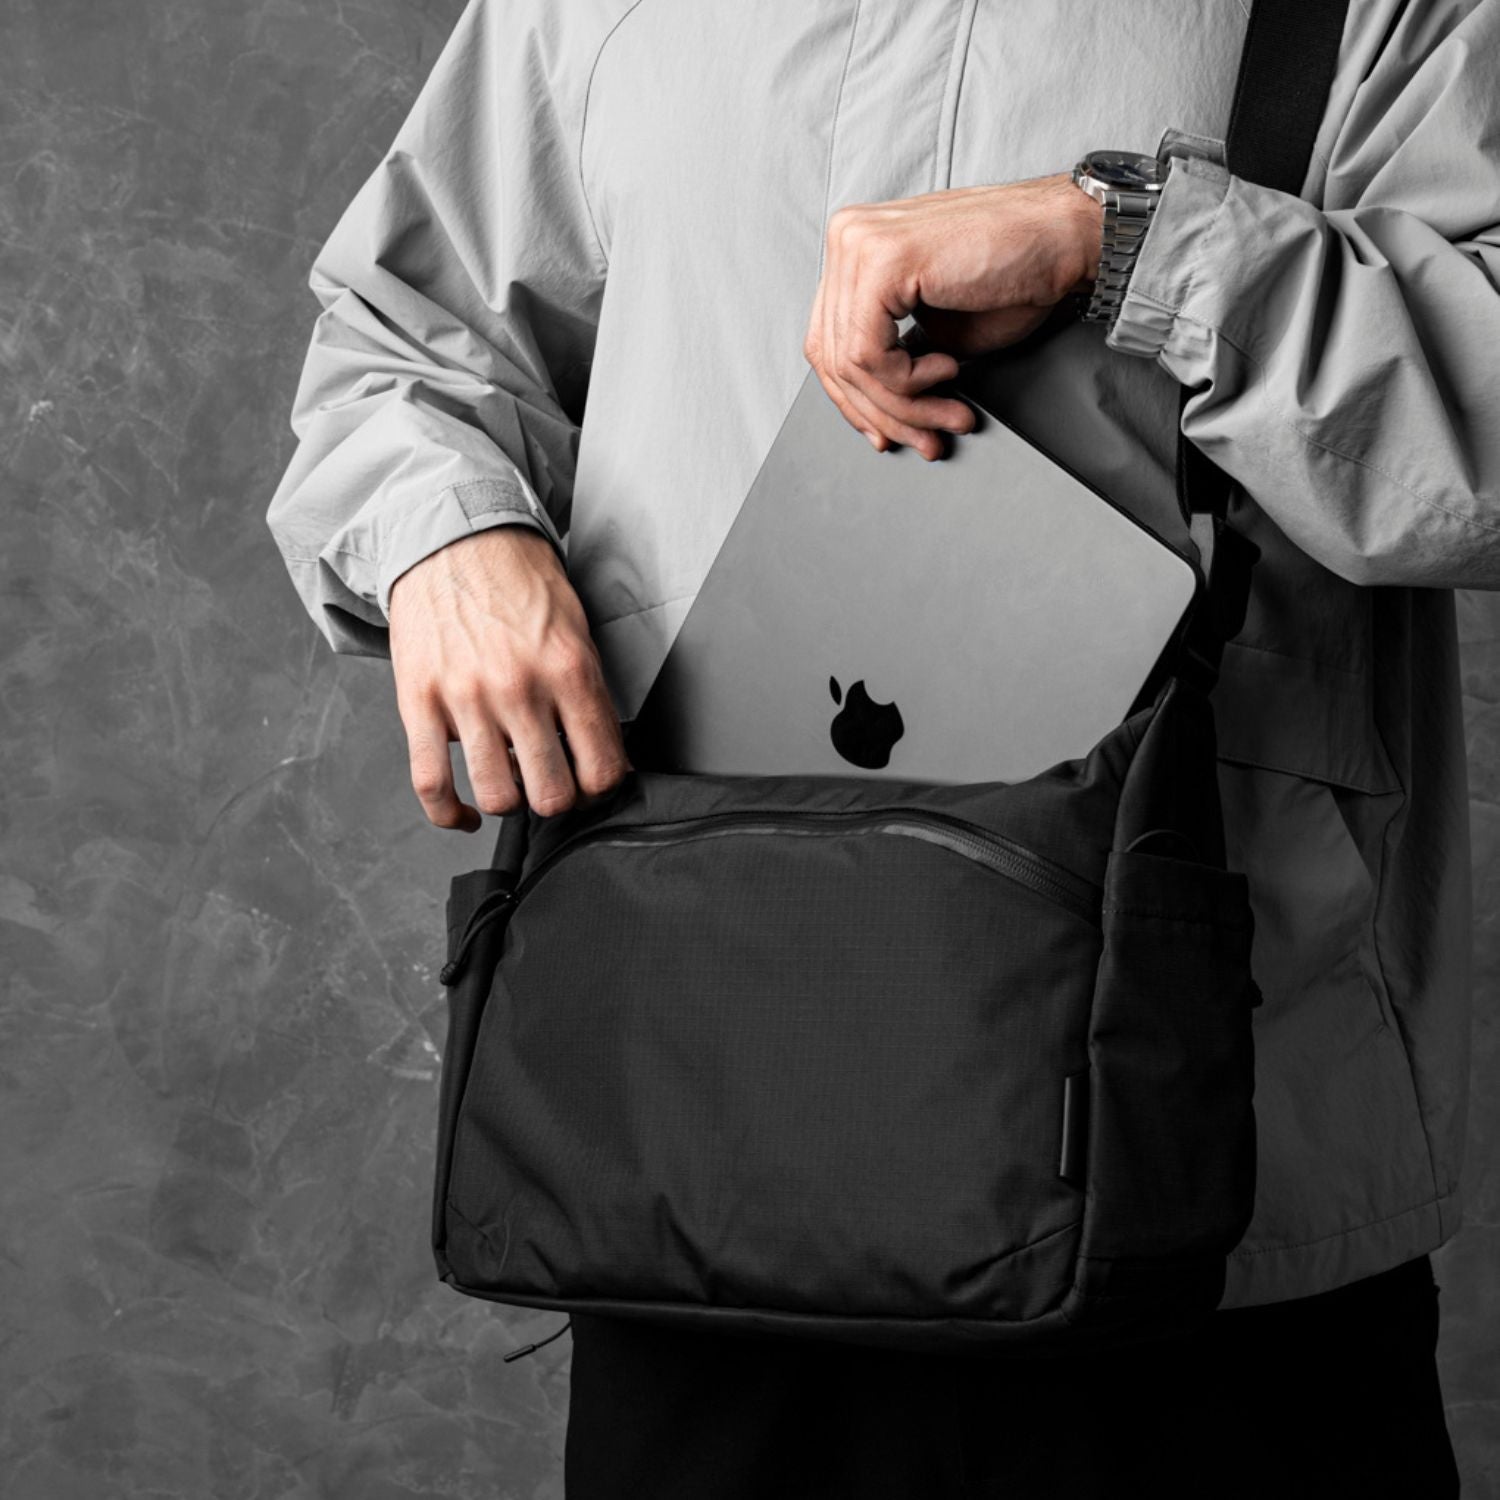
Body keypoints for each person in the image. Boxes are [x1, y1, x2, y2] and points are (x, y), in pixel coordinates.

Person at [266, 1, 1498, 1493]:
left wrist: (1139, 244)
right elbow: (402, 342)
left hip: (1212, 1186)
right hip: (695, 1148)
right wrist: (447, 537)